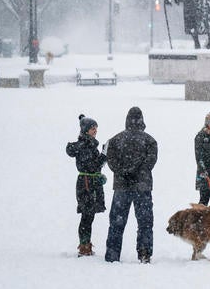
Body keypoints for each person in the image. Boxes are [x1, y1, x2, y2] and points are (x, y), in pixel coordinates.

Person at [104, 107, 158, 264]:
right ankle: (144, 254)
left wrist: (123, 172)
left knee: (116, 223)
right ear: (142, 120)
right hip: (143, 187)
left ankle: (112, 254)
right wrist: (138, 172)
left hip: (122, 186)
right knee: (145, 223)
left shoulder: (115, 140)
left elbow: (111, 161)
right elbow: (150, 162)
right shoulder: (150, 141)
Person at [66, 114, 107, 257]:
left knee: (89, 216)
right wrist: (104, 155)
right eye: (92, 128)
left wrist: (99, 176)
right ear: (85, 130)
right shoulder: (84, 146)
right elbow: (92, 166)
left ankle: (86, 244)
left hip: (90, 183)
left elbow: (94, 168)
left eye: (96, 128)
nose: (95, 130)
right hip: (86, 185)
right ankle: (84, 247)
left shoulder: (89, 144)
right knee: (87, 216)